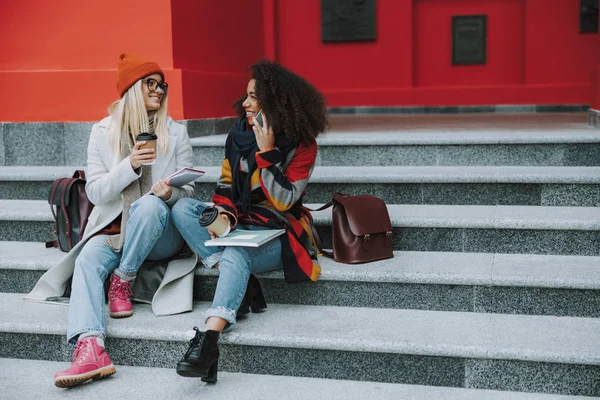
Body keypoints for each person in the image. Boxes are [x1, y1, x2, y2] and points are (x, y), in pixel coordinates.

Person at [26, 53, 195, 387]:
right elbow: (97, 193)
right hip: (117, 230)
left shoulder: (175, 131)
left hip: (161, 234)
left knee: (148, 207)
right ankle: (90, 348)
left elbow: (189, 191)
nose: (160, 90)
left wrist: (169, 194)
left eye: (162, 84)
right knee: (88, 258)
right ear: (133, 88)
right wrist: (130, 165)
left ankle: (123, 279)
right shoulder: (102, 132)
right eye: (152, 83)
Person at [170, 60, 328, 383]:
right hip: (240, 224)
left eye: (253, 97)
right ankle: (241, 285)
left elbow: (285, 200)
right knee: (183, 210)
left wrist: (267, 155)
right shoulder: (239, 136)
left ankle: (208, 342)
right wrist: (223, 215)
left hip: (278, 232)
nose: (245, 103)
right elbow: (226, 186)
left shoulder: (303, 146)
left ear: (274, 102)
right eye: (246, 96)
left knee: (235, 254)